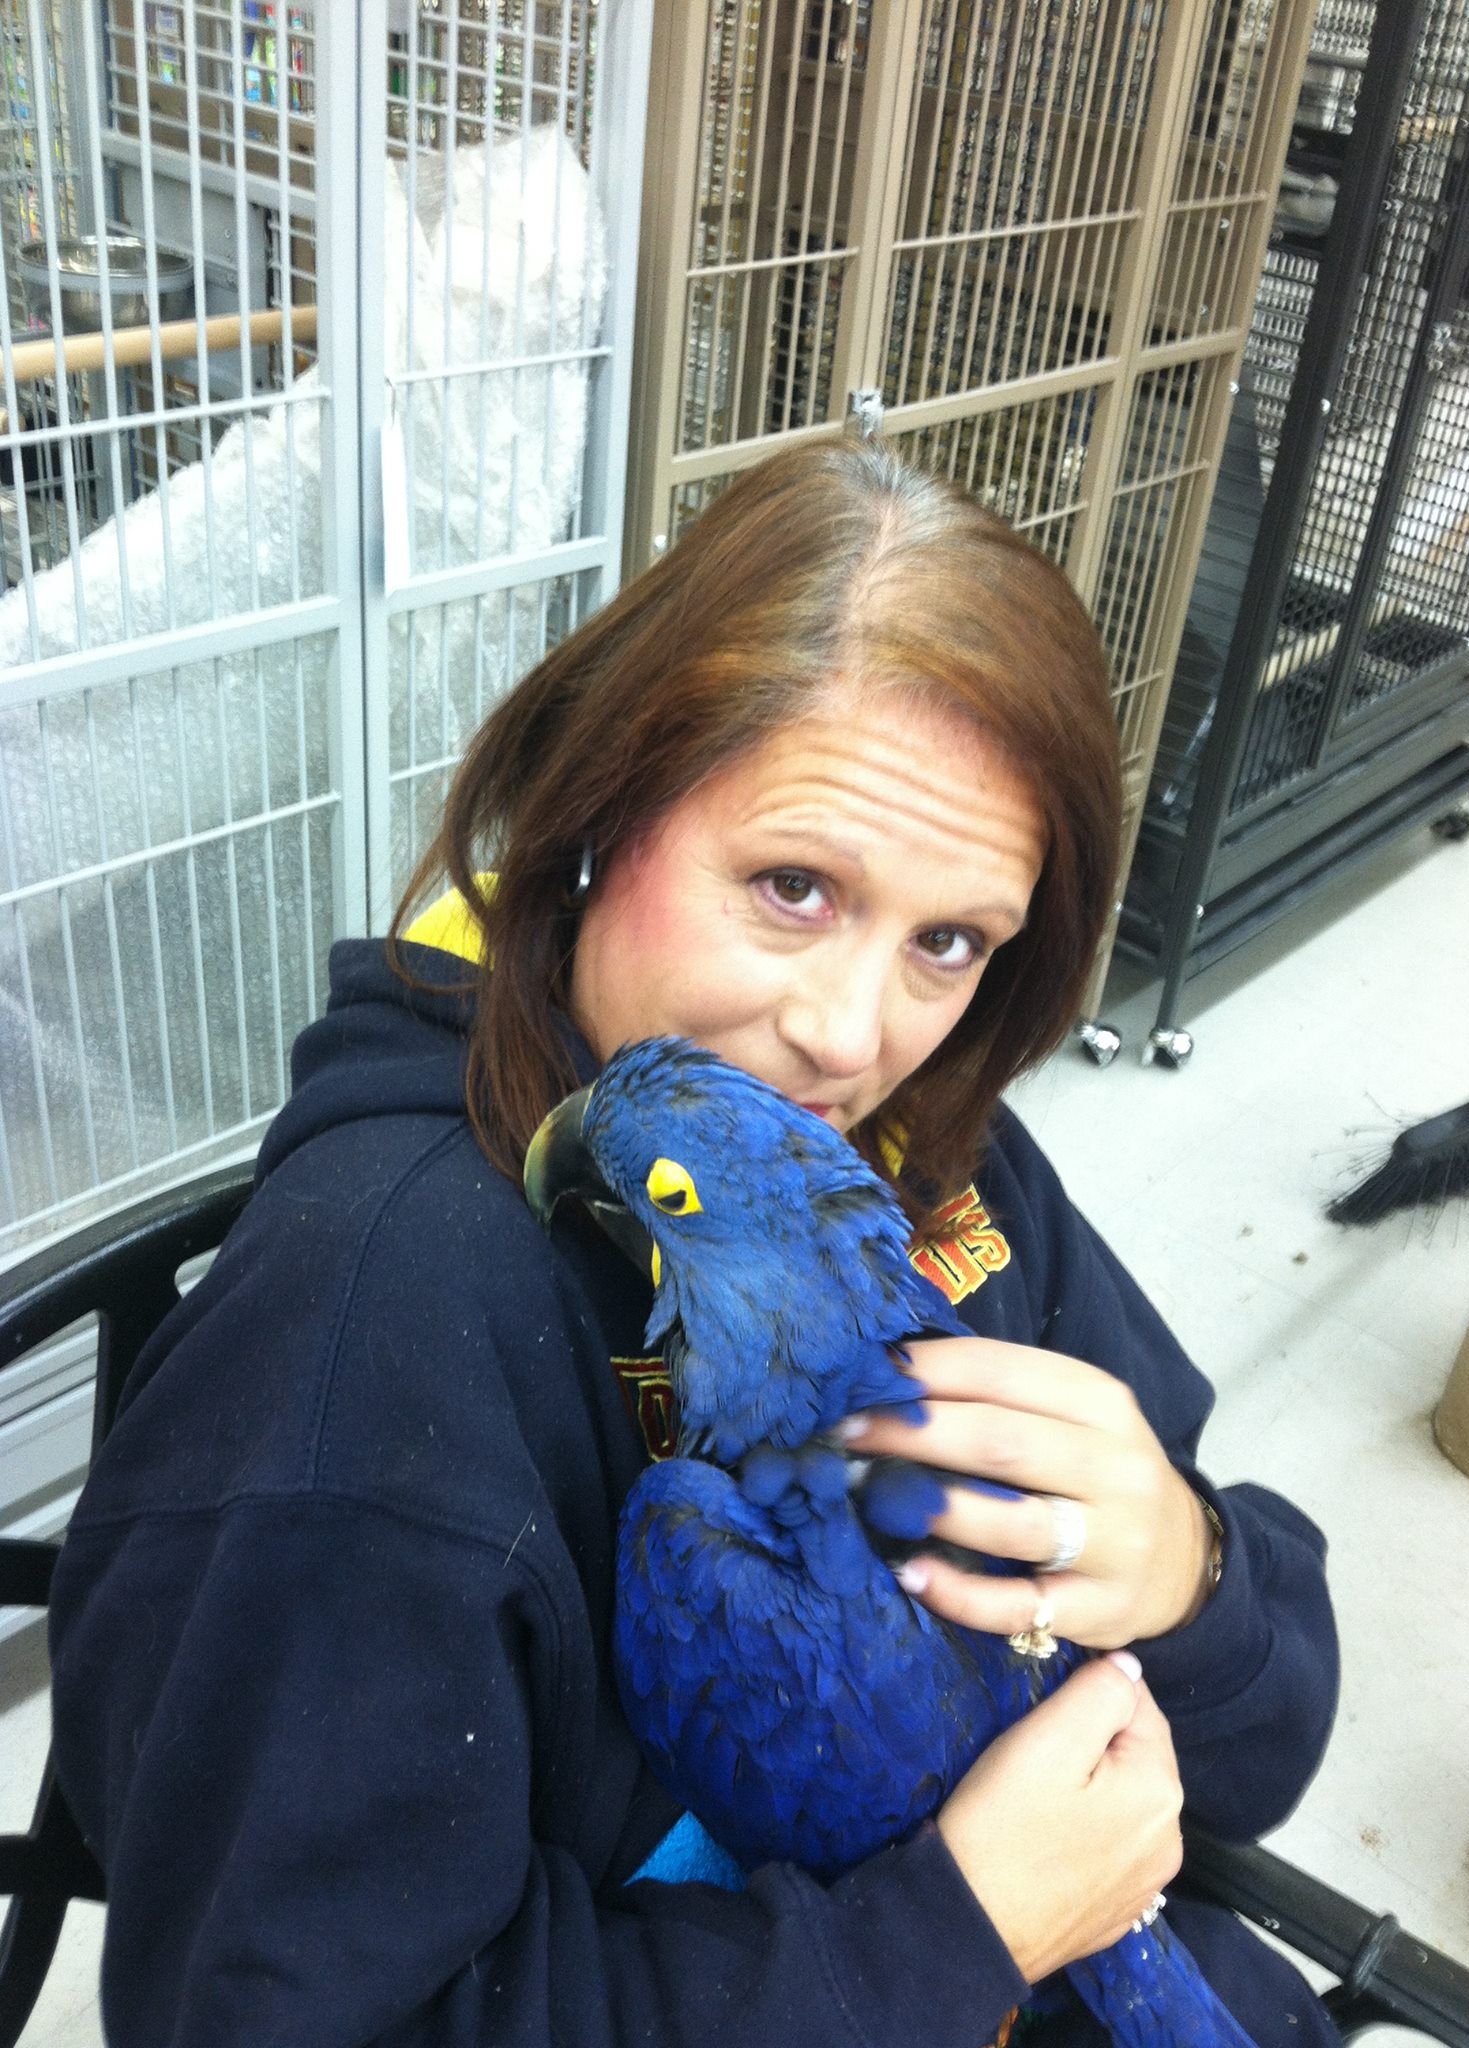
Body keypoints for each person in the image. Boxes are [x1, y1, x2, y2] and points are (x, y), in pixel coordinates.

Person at [49, 436, 1340, 2048]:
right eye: (793, 885)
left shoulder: (935, 1167)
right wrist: (945, 1936)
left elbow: (1264, 1743)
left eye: (949, 940)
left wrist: (1191, 1581)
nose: (849, 1033)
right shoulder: (367, 1343)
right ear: (598, 806)